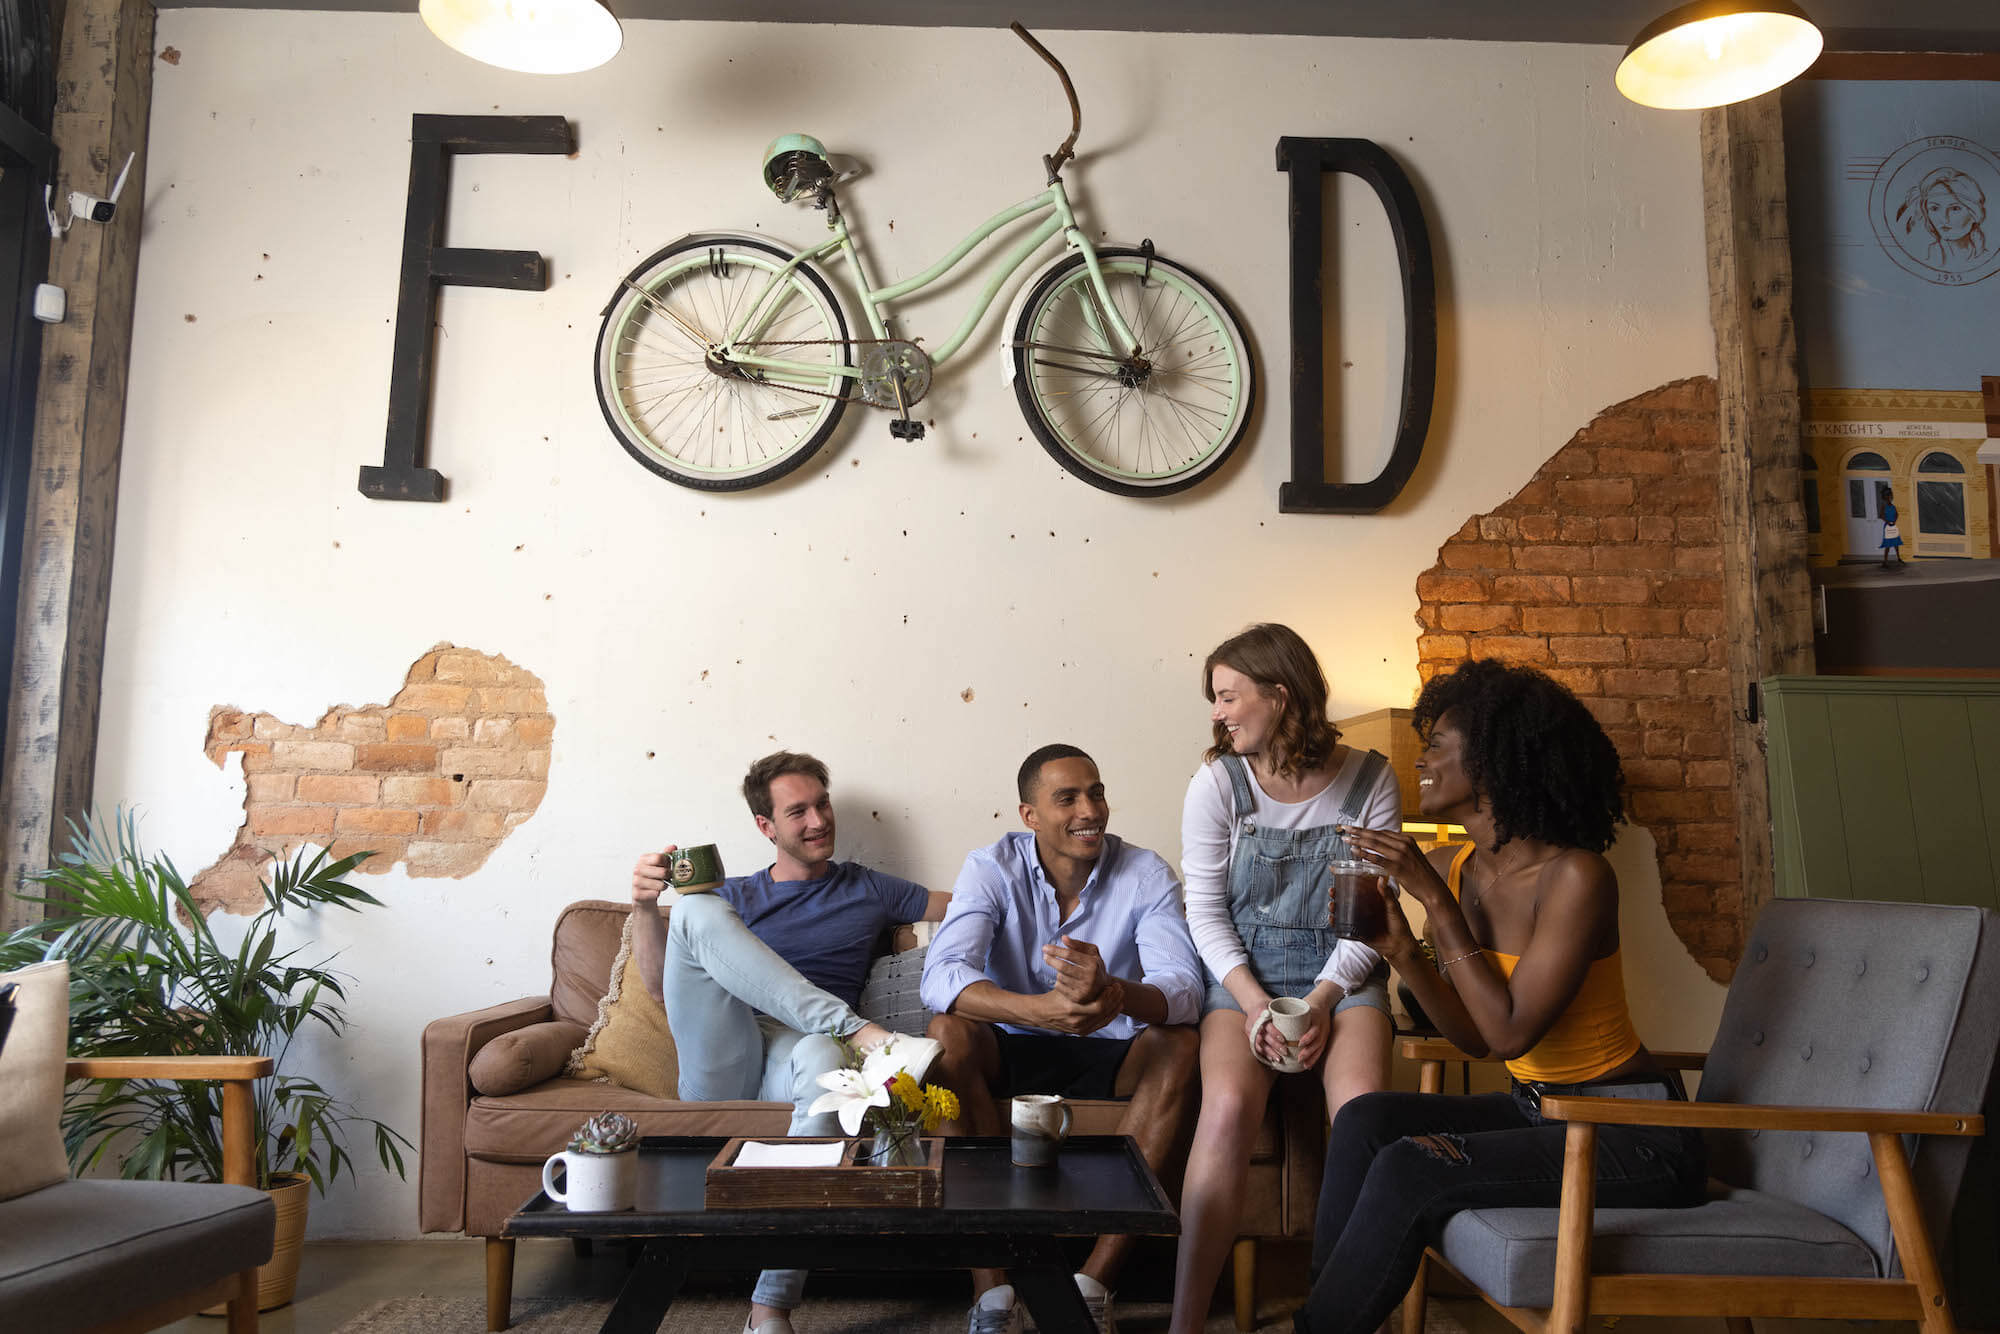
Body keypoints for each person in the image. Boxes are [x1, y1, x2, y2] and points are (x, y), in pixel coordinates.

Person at [1290, 659, 1706, 1334]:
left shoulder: (1576, 877)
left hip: (1631, 1133)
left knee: (1410, 1166)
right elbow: (1477, 1039)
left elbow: (1513, 1034)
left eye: (1437, 746)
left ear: (1490, 764)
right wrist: (1402, 949)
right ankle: (1327, 1314)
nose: (1421, 760)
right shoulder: (1460, 867)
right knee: (1367, 1120)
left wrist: (1436, 903)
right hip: (1536, 1110)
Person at [629, 750, 950, 1334]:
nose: (818, 821)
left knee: (828, 1064)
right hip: (726, 1050)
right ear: (766, 826)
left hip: (801, 1053)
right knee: (696, 907)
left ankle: (769, 1308)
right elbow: (658, 988)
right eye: (797, 811)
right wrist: (646, 907)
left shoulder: (867, 887)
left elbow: (965, 906)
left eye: (822, 805)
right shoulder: (733, 897)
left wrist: (1039, 887)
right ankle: (862, 1033)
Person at [1168, 624, 1403, 1334]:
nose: (1218, 714)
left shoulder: (1371, 779)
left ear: (1279, 695)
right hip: (1243, 974)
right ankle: (1185, 1322)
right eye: (1214, 700)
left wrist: (1325, 999)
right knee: (1227, 1109)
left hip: (1344, 975)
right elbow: (1204, 911)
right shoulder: (1216, 783)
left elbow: (1371, 918)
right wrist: (1252, 1005)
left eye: (1228, 696)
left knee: (1362, 1116)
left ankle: (1339, 1317)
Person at [922, 743, 1203, 1334]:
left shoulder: (1145, 872)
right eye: (1067, 798)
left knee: (1180, 1044)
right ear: (1029, 815)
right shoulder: (990, 867)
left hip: (1112, 1044)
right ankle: (992, 1292)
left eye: (1096, 793)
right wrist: (1042, 1012)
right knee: (946, 1035)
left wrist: (1114, 992)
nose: (1089, 810)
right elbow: (941, 977)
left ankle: (1092, 1286)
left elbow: (1182, 988)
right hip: (1011, 1043)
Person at [1881, 486, 1904, 567]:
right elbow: (1881, 515)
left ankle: (1899, 558)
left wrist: (1894, 521)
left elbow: (1897, 514)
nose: (1890, 498)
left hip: (1893, 526)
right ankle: (1885, 561)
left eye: (1891, 496)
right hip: (1887, 527)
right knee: (1887, 545)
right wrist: (1888, 522)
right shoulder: (1884, 506)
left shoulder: (1893, 506)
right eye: (1888, 496)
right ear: (1885, 497)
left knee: (1896, 543)